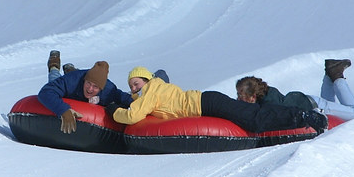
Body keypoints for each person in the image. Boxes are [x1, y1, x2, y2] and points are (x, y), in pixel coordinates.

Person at [109, 69, 327, 134]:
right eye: (131, 86)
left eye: (136, 83)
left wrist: (113, 111)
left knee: (254, 119)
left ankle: (304, 116)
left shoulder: (151, 91)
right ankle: (297, 115)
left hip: (207, 103)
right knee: (250, 117)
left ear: (147, 80)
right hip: (207, 102)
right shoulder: (155, 89)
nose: (134, 88)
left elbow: (132, 115)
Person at [236, 59, 354, 123]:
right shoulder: (264, 96)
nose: (238, 99)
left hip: (315, 106)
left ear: (252, 96)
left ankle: (337, 76)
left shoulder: (269, 103)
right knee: (330, 103)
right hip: (307, 100)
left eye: (240, 96)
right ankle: (330, 74)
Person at [38, 56, 133, 134]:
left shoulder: (109, 90)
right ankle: (54, 66)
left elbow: (127, 100)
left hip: (79, 80)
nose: (90, 89)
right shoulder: (72, 81)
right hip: (72, 86)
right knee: (54, 79)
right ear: (84, 80)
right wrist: (63, 110)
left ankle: (71, 69)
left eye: (95, 87)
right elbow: (46, 92)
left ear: (101, 88)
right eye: (88, 83)